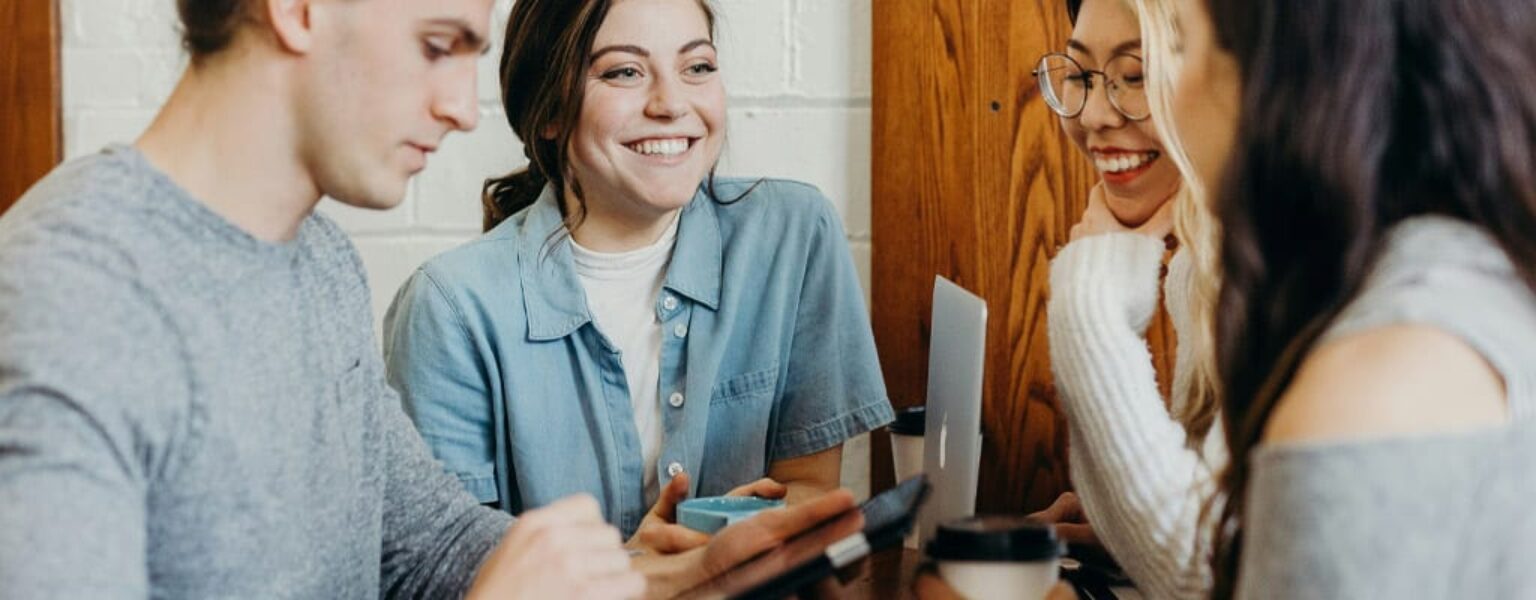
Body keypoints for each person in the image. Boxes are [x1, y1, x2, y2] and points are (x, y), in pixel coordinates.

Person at [0, 0, 855, 596]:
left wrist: (647, 576)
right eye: (436, 44)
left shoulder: (315, 261)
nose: (456, 108)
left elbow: (425, 548)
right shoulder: (71, 298)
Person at [382, 0, 894, 544]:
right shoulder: (449, 308)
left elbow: (808, 489)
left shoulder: (793, 236)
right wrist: (647, 572)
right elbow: (446, 567)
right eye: (624, 71)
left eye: (697, 67)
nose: (672, 104)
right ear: (549, 111)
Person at [1169, 0, 1536, 597]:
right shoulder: (1485, 281)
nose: (1172, 99)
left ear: (1273, 76)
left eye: (1183, 45)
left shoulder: (1373, 391)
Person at [1030, 0, 1225, 597]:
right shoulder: (1202, 259)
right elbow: (1209, 537)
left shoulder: (1304, 258)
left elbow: (1217, 575)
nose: (1091, 115)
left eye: (1136, 76)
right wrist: (1122, 525)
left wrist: (1090, 308)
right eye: (1081, 75)